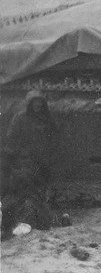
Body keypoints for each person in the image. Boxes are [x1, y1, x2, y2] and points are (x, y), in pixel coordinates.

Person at [1, 90, 59, 238]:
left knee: (41, 190)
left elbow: (54, 139)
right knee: (25, 189)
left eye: (40, 102)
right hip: (25, 160)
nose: (37, 105)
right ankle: (27, 218)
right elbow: (12, 138)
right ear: (29, 104)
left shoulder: (48, 119)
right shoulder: (20, 118)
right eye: (34, 102)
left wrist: (49, 156)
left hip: (44, 160)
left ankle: (40, 216)